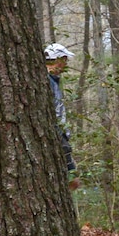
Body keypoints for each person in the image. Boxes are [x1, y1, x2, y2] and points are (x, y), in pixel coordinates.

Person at [45, 43, 78, 188]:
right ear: (56, 60)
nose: (66, 64)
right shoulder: (46, 81)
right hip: (57, 137)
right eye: (64, 59)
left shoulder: (53, 82)